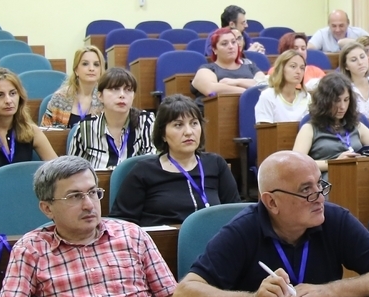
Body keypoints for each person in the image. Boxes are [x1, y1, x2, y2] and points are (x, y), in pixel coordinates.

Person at [170, 151, 369, 297]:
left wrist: (329, 290)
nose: (320, 197)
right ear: (272, 202)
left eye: (320, 184)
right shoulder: (243, 229)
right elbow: (184, 295)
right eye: (306, 190)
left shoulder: (334, 218)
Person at [0, 156, 176, 297]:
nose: (89, 205)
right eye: (75, 196)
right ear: (47, 208)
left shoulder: (132, 234)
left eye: (93, 192)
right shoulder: (31, 249)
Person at [110, 94, 241, 226]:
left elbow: (235, 214)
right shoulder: (143, 171)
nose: (189, 132)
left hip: (211, 238)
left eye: (194, 123)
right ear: (163, 134)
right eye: (178, 125)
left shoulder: (216, 164)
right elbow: (120, 224)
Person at [293, 74, 369, 179]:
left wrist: (367, 157)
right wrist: (335, 163)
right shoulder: (309, 129)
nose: (342, 106)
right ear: (324, 101)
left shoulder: (357, 125)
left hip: (359, 178)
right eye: (337, 101)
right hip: (328, 181)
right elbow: (296, 164)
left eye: (346, 100)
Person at [68, 68, 155, 170]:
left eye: (128, 90)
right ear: (100, 96)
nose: (122, 95)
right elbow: (72, 171)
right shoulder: (85, 128)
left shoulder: (146, 121)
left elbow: (153, 163)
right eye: (115, 89)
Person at [191, 27, 267, 97]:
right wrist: (248, 92)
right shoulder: (207, 69)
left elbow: (264, 84)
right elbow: (211, 89)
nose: (231, 46)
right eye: (224, 44)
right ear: (214, 50)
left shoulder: (249, 65)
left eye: (233, 42)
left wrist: (237, 82)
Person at [41, 46, 104, 128]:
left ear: (101, 70)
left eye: (96, 64)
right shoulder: (60, 98)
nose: (91, 68)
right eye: (85, 64)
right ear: (76, 70)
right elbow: (45, 130)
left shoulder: (105, 98)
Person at [254, 50, 310, 123]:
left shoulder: (306, 97)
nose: (298, 71)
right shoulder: (268, 96)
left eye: (302, 68)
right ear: (281, 69)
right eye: (293, 66)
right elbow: (264, 128)